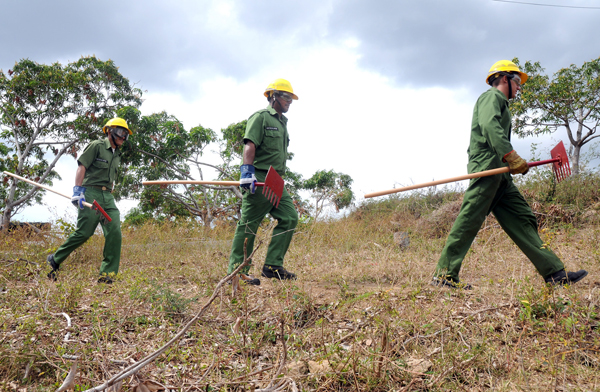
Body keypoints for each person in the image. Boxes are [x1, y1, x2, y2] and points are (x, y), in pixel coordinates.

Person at [432, 60, 588, 289]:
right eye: (517, 82)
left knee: (523, 218)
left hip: (501, 175)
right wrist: (511, 155)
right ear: (505, 78)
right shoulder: (492, 97)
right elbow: (489, 125)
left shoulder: (502, 104)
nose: (519, 88)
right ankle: (444, 276)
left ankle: (554, 273)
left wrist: (510, 160)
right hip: (487, 169)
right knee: (469, 220)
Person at [227, 79, 300, 285]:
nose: (289, 102)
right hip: (258, 177)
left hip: (276, 180)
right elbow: (250, 145)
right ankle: (238, 271)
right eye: (286, 97)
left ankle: (272, 266)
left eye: (291, 99)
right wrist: (247, 171)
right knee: (249, 224)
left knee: (289, 217)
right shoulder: (261, 117)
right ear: (273, 96)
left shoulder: (282, 122)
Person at [47, 117, 132, 284]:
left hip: (107, 196)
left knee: (114, 231)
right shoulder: (96, 146)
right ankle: (56, 258)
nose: (123, 137)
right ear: (110, 131)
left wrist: (109, 190)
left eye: (126, 134)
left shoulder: (117, 155)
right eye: (121, 132)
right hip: (90, 193)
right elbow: (82, 166)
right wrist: (78, 190)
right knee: (84, 233)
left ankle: (107, 275)